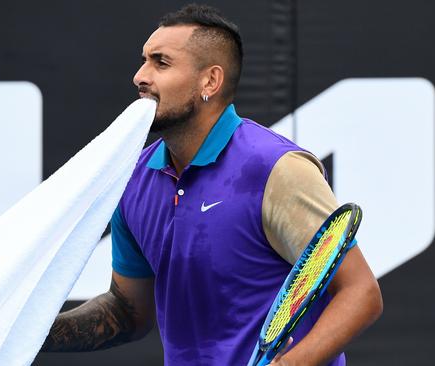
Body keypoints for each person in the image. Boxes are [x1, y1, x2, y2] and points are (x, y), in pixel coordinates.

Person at [41, 4, 382, 365]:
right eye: (143, 61)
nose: (140, 76)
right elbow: (128, 313)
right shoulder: (134, 179)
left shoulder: (277, 169)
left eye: (161, 62)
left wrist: (289, 364)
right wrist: (30, 336)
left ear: (210, 81)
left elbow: (360, 292)